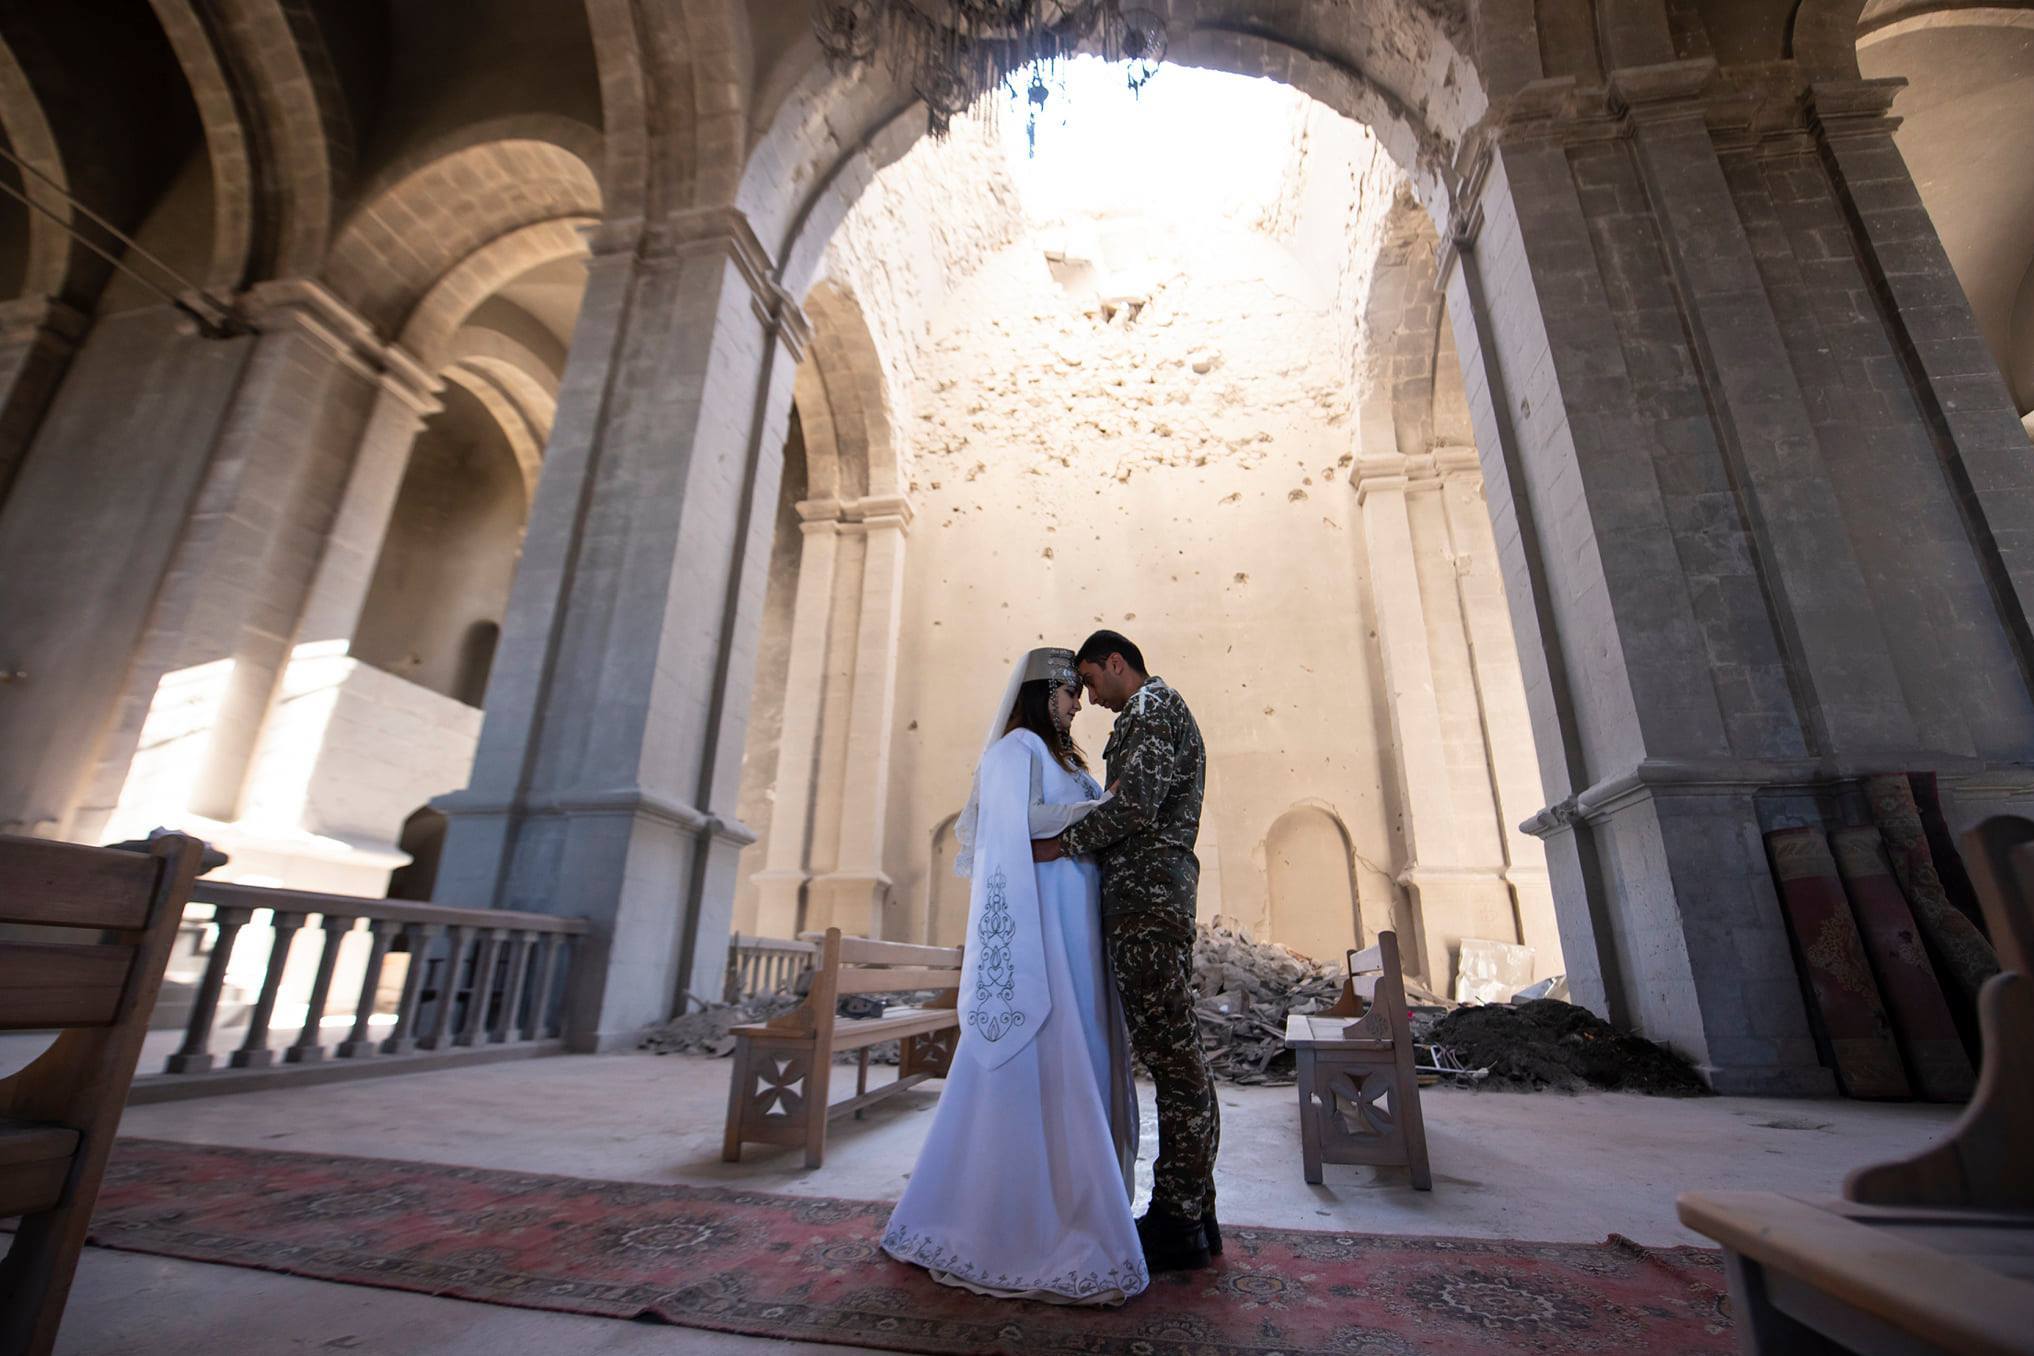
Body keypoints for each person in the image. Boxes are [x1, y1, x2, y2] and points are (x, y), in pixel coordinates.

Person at [879, 646, 1147, 1305]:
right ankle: (1013, 1221)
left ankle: (1080, 1203)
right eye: (1068, 692)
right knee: (1047, 1059)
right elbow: (1017, 826)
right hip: (1042, 940)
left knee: (1082, 1054)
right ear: (1042, 692)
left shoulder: (1062, 761)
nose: (1078, 703)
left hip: (1078, 935)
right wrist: (1098, 812)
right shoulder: (1015, 752)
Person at [1033, 630, 1218, 1272]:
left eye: (1090, 681)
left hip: (1148, 899)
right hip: (1151, 896)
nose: (1089, 698)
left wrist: (1059, 845)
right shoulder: (1155, 711)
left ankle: (1178, 1219)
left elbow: (1134, 806)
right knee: (1175, 1052)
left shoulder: (1151, 709)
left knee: (1172, 1056)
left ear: (1117, 665)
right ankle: (1196, 1208)